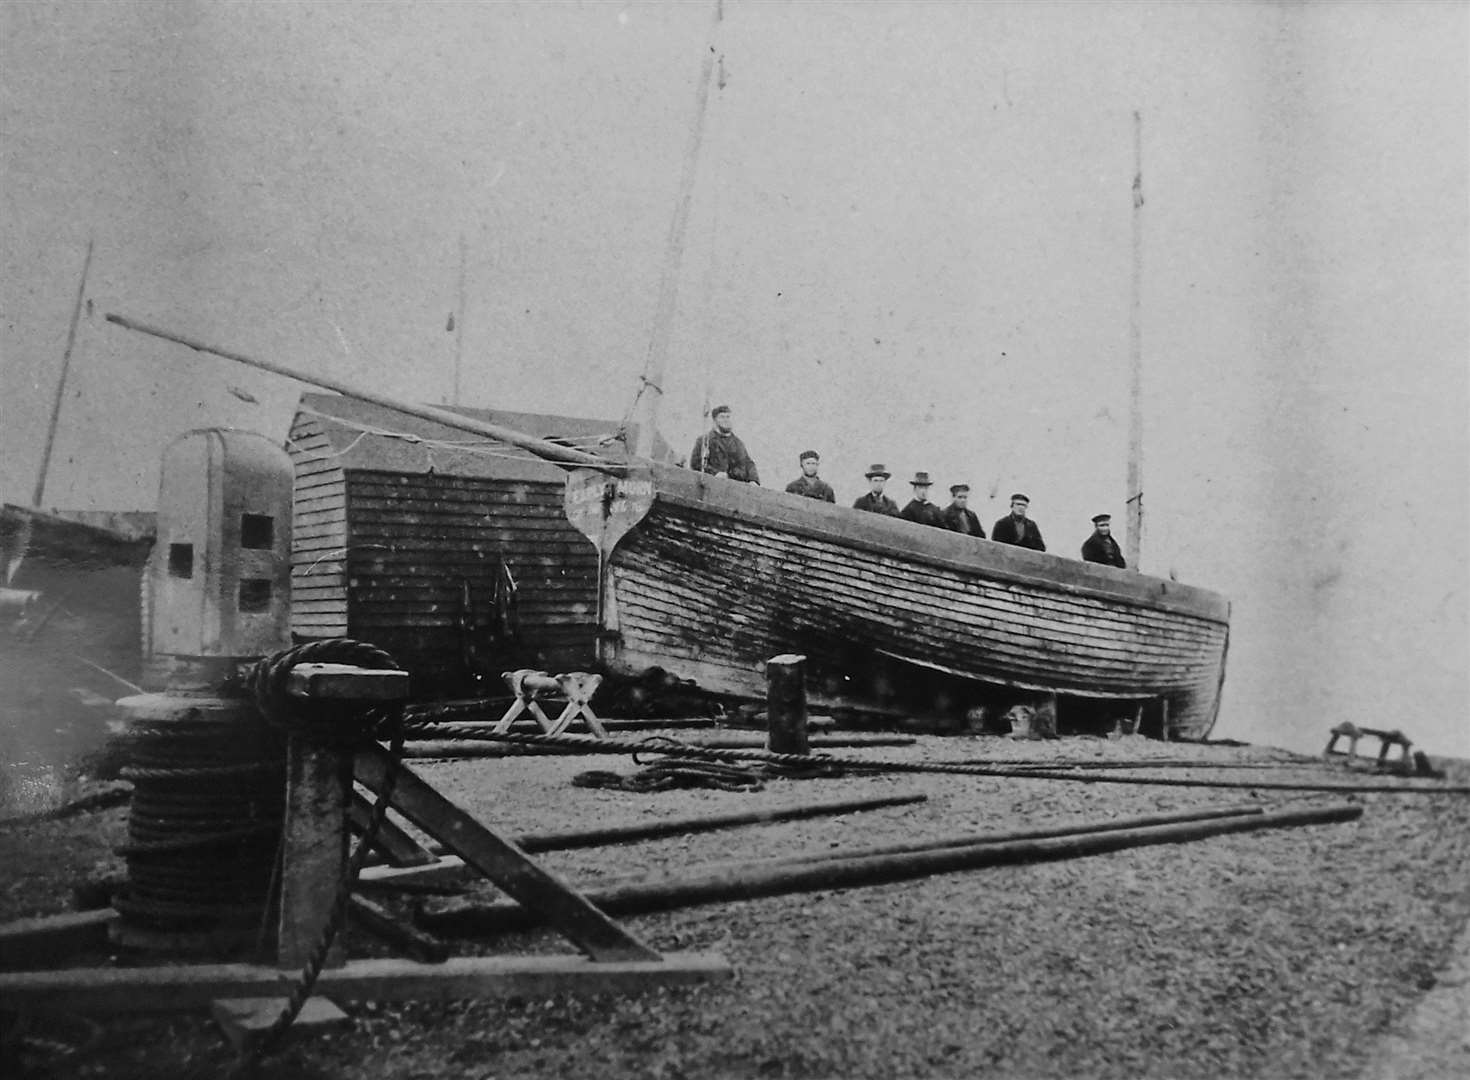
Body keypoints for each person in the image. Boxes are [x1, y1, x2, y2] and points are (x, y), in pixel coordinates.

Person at [688, 405, 759, 484]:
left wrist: (753, 479)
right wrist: (715, 473)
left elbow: (748, 463)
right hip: (712, 484)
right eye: (722, 417)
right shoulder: (705, 440)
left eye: (728, 417)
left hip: (736, 486)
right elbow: (696, 463)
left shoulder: (738, 443)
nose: (726, 420)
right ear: (715, 420)